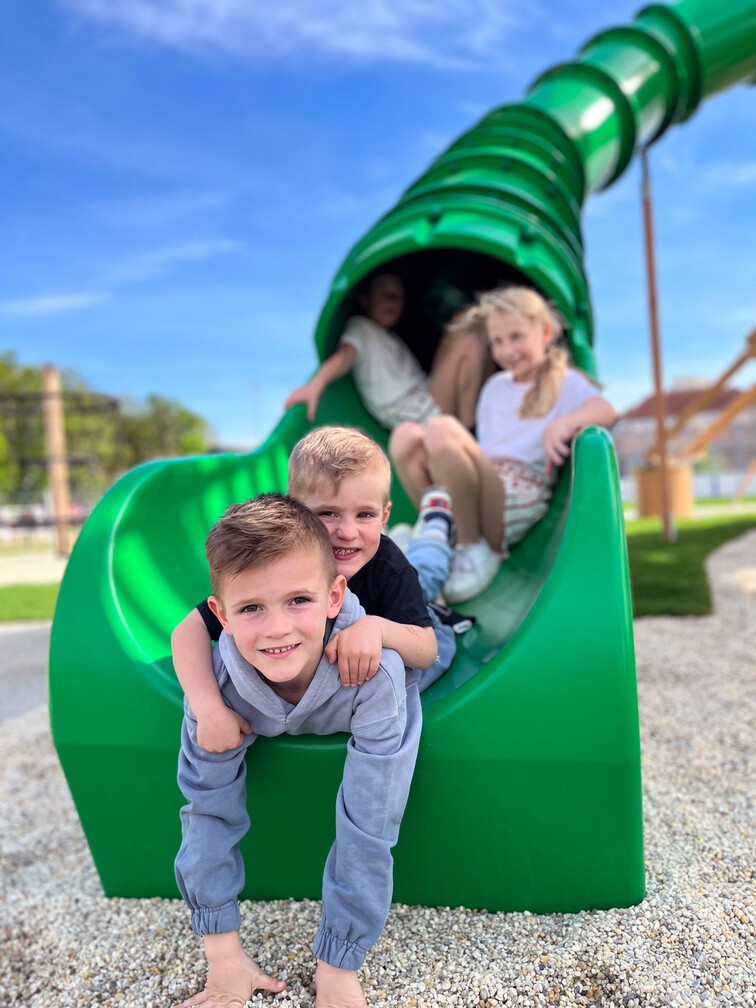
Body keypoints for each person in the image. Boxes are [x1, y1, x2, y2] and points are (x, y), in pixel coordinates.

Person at [173, 493, 421, 1008]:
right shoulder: (218, 687)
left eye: (298, 601)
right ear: (220, 614)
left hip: (411, 636)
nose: (278, 628)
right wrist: (223, 961)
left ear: (334, 597)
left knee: (434, 577)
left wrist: (338, 966)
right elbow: (206, 815)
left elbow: (368, 825)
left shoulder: (377, 679)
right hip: (250, 689)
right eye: (251, 608)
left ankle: (434, 529)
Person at [171, 426, 459, 756]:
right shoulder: (281, 567)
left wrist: (376, 628)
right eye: (327, 514)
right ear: (297, 510)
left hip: (414, 615)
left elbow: (426, 650)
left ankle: (437, 523)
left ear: (383, 516)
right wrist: (208, 708)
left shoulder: (389, 568)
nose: (347, 532)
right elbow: (187, 631)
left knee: (429, 571)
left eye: (364, 515)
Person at [389, 285, 618, 604]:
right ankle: (435, 535)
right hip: (486, 484)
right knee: (405, 437)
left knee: (441, 428)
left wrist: (563, 424)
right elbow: (485, 451)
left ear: (546, 332)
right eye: (497, 341)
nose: (507, 350)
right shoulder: (495, 387)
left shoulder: (565, 382)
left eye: (516, 337)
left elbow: (605, 411)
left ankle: (471, 550)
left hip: (518, 495)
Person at [284, 270, 491, 430]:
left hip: (426, 397)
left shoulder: (392, 338)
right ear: (364, 299)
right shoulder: (360, 327)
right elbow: (345, 356)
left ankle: (465, 429)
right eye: (385, 294)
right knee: (469, 339)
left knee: (463, 322)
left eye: (398, 296)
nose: (393, 300)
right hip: (412, 411)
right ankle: (467, 433)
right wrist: (314, 386)